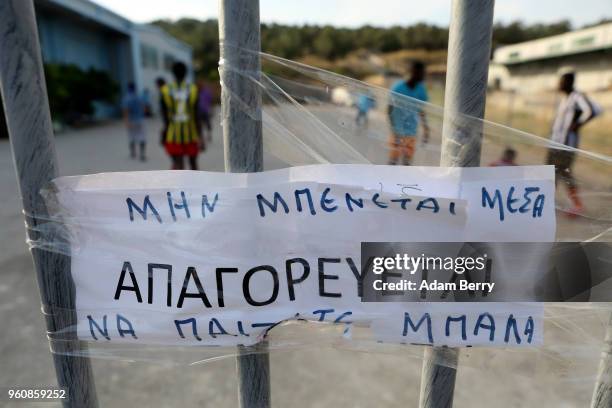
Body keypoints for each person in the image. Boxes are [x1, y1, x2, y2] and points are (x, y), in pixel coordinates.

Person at [547, 70, 601, 215]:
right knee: (550, 172)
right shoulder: (565, 98)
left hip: (566, 145)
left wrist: (577, 124)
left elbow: (591, 111)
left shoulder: (577, 97)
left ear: (569, 82)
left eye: (562, 81)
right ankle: (547, 200)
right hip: (554, 143)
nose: (559, 84)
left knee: (564, 173)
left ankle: (577, 205)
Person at [160, 62, 203, 170]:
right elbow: (197, 115)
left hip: (173, 133)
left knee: (178, 164)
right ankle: (195, 186)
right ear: (186, 73)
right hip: (191, 133)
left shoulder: (165, 90)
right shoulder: (193, 89)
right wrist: (201, 136)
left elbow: (164, 117)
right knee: (193, 164)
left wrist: (164, 133)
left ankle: (179, 185)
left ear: (173, 73)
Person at [387, 61, 430, 165]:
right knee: (393, 161)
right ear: (413, 72)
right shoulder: (397, 88)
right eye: (420, 73)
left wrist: (426, 128)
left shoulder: (421, 89)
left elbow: (420, 109)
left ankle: (403, 182)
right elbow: (390, 109)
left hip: (411, 131)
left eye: (423, 73)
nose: (423, 75)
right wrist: (394, 128)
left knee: (407, 163)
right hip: (397, 131)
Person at [122, 82, 147, 161]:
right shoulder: (139, 97)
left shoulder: (126, 98)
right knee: (142, 137)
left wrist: (126, 121)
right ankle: (142, 154)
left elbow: (126, 110)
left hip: (131, 120)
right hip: (140, 119)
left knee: (131, 137)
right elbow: (144, 108)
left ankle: (133, 153)